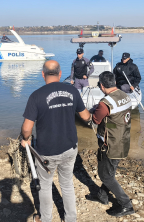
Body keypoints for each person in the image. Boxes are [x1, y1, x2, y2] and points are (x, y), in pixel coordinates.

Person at [21, 60, 91, 222]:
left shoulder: (36, 96)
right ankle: (70, 219)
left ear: (42, 74)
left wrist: (26, 139)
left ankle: (45, 219)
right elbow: (86, 116)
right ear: (60, 74)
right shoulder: (72, 90)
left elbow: (27, 128)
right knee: (67, 184)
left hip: (46, 152)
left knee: (45, 186)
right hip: (69, 147)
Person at [86, 71, 134, 217]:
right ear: (114, 82)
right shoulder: (125, 96)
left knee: (106, 176)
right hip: (123, 139)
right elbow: (115, 120)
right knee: (109, 172)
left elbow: (95, 120)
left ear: (101, 85)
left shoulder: (105, 103)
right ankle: (102, 196)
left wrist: (90, 111)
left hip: (110, 144)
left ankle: (126, 204)